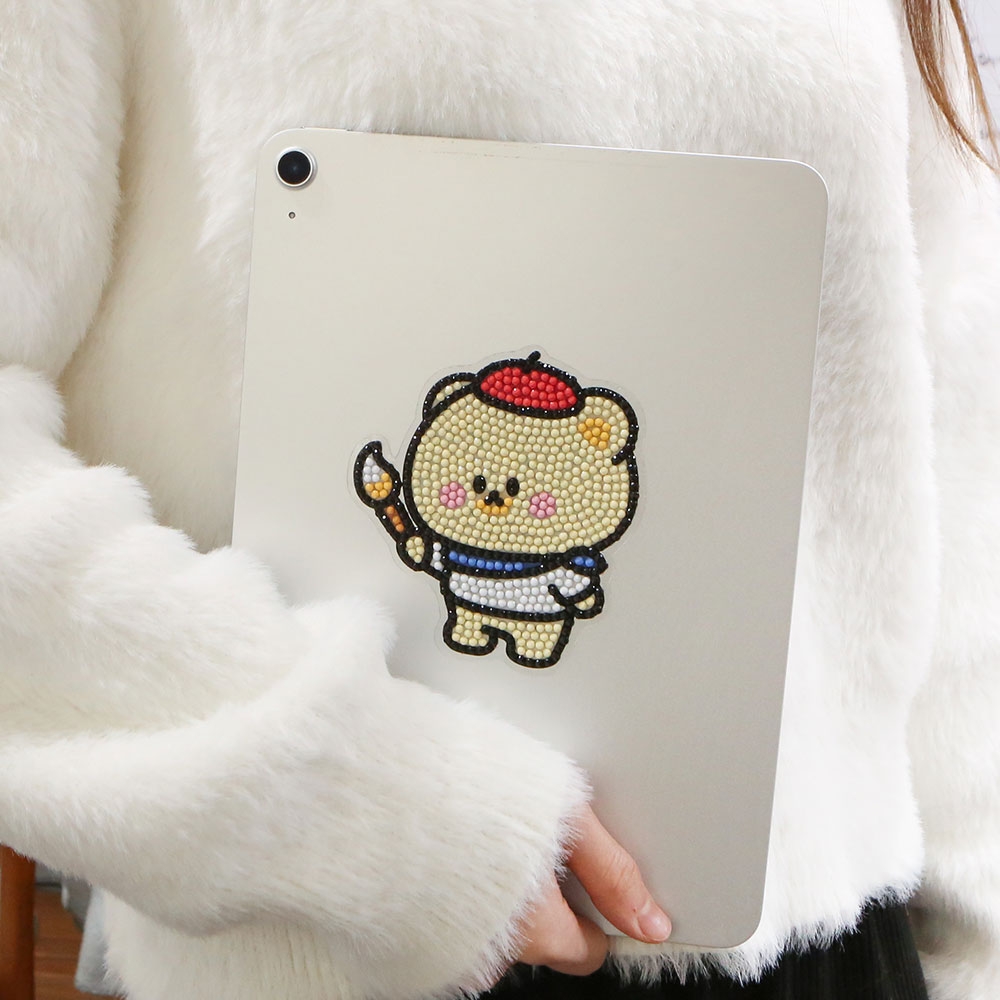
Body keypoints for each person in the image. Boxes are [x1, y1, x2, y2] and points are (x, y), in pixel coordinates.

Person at [0, 1, 997, 998]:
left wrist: (977, 938)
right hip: (331, 939)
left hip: (820, 944)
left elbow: (934, 433)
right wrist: (368, 801)